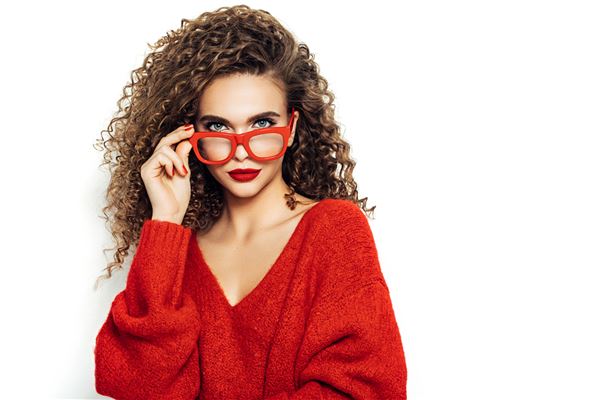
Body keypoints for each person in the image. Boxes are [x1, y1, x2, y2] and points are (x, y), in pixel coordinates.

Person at [93, 4, 407, 399]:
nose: (241, 151)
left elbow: (366, 389)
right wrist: (167, 222)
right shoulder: (177, 254)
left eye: (261, 123)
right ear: (190, 136)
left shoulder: (334, 229)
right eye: (218, 126)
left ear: (291, 128)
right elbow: (138, 387)